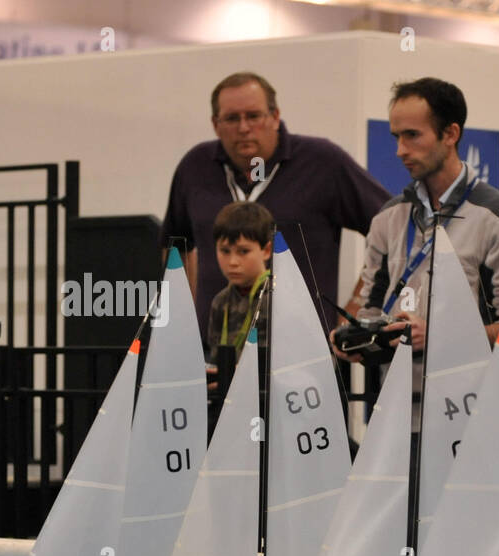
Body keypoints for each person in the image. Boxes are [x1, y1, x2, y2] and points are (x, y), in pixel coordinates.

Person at [161, 71, 389, 343]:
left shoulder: (322, 163)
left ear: (275, 116)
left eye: (253, 116)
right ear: (215, 124)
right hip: (215, 349)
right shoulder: (196, 167)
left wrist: (354, 310)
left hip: (304, 351)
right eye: (232, 118)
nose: (244, 127)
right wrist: (184, 318)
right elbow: (175, 246)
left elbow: (388, 230)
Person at [346, 77, 499, 355]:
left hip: (473, 394)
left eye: (412, 135)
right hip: (392, 393)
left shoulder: (498, 217)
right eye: (397, 137)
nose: (400, 150)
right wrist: (356, 339)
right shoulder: (388, 218)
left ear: (450, 134)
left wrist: (440, 336)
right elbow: (370, 309)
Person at [207, 201, 273, 362]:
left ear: (266, 251)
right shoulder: (220, 302)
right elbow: (215, 359)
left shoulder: (279, 298)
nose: (233, 262)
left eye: (243, 251)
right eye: (225, 251)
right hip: (227, 385)